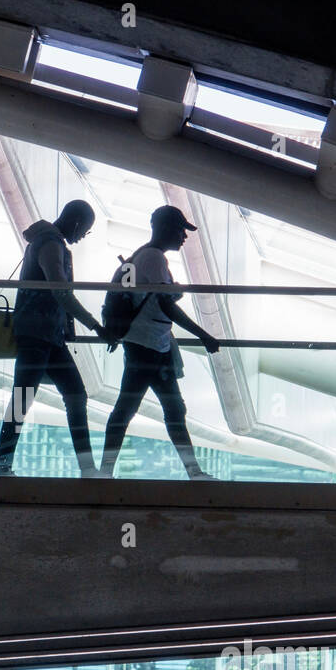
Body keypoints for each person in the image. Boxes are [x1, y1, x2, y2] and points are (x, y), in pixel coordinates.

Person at [99, 205, 221, 480]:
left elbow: (157, 299)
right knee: (158, 409)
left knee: (141, 408)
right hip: (148, 345)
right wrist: (203, 335)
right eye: (181, 230)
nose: (184, 237)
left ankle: (106, 472)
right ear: (166, 228)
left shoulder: (143, 254)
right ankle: (193, 473)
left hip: (147, 343)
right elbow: (166, 305)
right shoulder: (154, 258)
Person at [0, 200, 114, 477]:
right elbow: (61, 292)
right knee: (59, 396)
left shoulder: (46, 242)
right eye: (85, 230)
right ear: (76, 223)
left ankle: (6, 465)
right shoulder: (50, 244)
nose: (82, 236)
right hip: (39, 335)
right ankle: (5, 465)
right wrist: (95, 326)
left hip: (46, 335)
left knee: (56, 396)